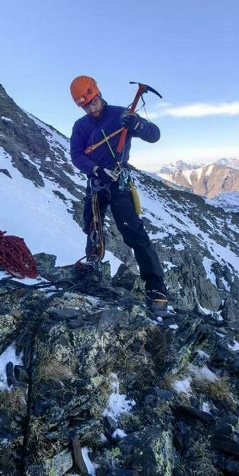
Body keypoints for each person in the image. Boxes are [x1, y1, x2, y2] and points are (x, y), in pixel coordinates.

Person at [69, 75, 169, 309]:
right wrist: (96, 170)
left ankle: (156, 288)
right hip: (97, 181)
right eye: (85, 106)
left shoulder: (121, 115)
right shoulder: (81, 126)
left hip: (119, 182)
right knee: (92, 224)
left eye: (92, 103)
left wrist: (139, 125)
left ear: (99, 95)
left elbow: (154, 135)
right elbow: (76, 156)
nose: (91, 109)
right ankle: (93, 262)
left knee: (133, 232)